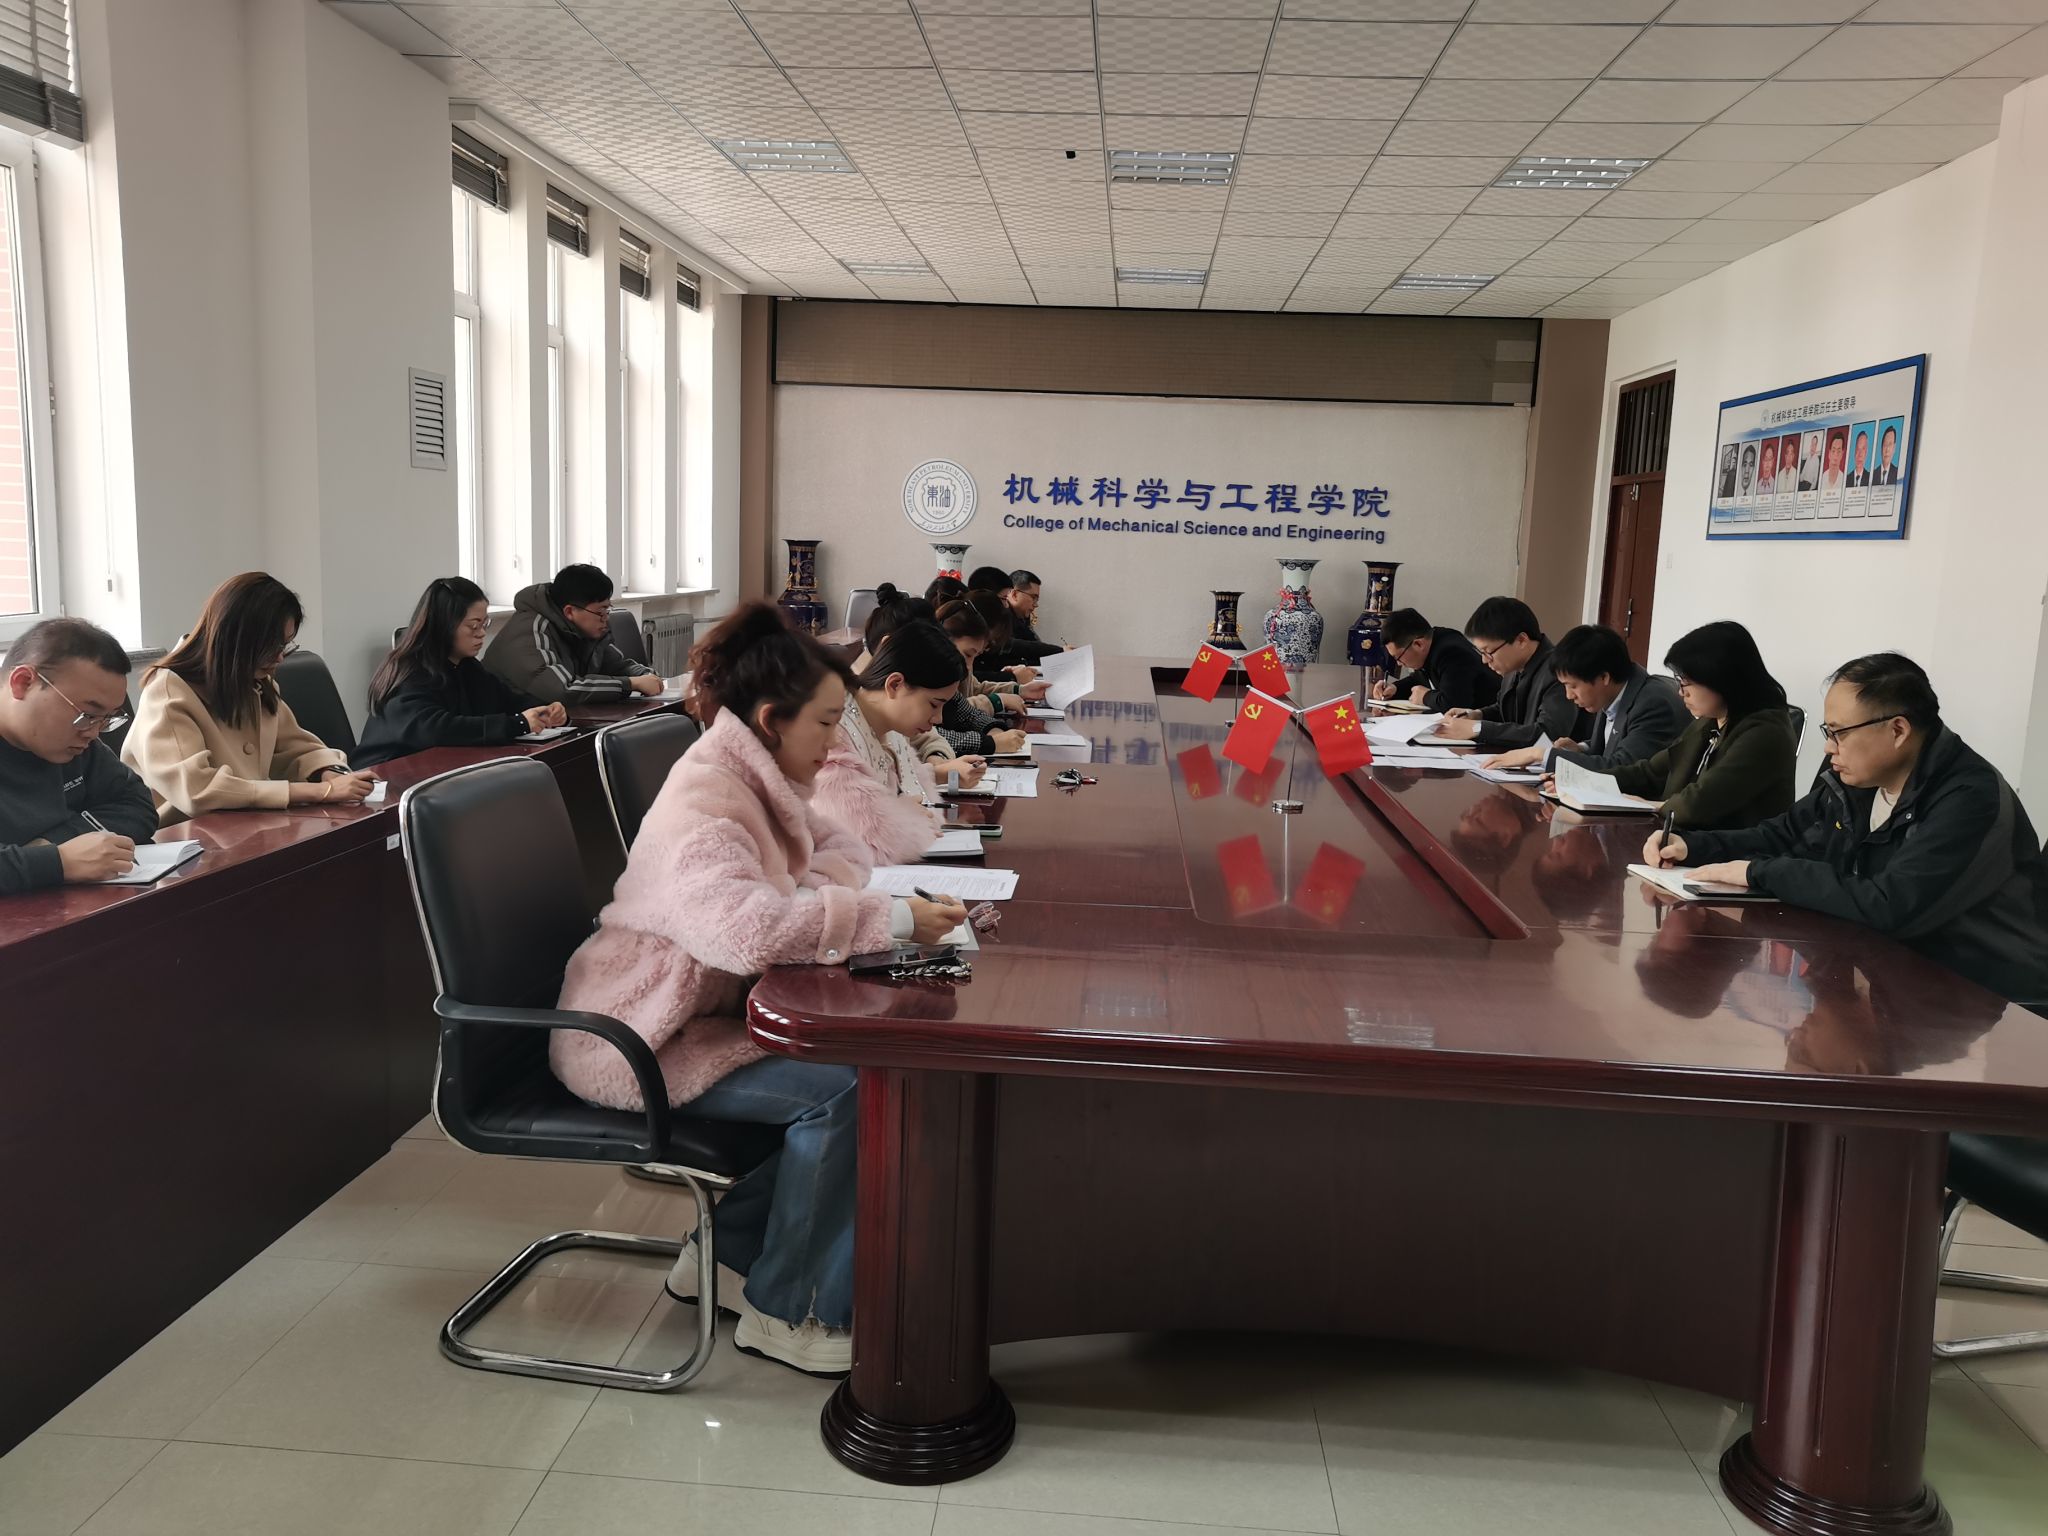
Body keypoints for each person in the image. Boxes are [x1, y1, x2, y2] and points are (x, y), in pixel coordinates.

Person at [551, 603, 967, 1375]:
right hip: (637, 1037)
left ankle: (730, 1255)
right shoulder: (707, 801)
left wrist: (828, 899)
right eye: (827, 724)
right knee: (855, 1087)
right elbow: (745, 932)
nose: (836, 743)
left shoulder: (764, 776)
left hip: (694, 1016)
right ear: (773, 719)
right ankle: (792, 1309)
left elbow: (843, 855)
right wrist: (887, 920)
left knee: (869, 1075)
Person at [1648, 653, 2048, 1009]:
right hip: (1879, 970)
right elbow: (1783, 834)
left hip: (1976, 997)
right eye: (1828, 732)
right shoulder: (1858, 777)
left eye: (1839, 733)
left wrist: (1758, 872)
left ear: (1898, 730)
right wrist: (1692, 845)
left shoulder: (1970, 799)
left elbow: (1891, 905)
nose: (1828, 748)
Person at [124, 572, 376, 824]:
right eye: (272, 646)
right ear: (235, 639)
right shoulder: (168, 691)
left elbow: (296, 748)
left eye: (285, 645)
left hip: (245, 826)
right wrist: (322, 791)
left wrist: (329, 772)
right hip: (183, 834)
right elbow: (198, 791)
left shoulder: (254, 683)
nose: (280, 658)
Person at [1, 618, 157, 893]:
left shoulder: (75, 744)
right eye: (87, 714)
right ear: (23, 683)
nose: (93, 733)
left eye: (106, 719)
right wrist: (58, 862)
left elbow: (138, 805)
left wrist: (48, 845)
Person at [353, 578, 569, 768]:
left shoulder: (466, 666)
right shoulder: (409, 670)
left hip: (439, 766)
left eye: (484, 624)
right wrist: (518, 723)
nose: (481, 633)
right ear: (444, 625)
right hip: (386, 774)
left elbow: (507, 699)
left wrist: (546, 710)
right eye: (473, 626)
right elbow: (434, 729)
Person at [1599, 621, 1795, 828]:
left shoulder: (1767, 733)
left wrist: (1651, 806)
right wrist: (1589, 782)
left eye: (1686, 681)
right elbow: (1651, 772)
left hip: (1729, 844)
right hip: (1687, 836)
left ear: (1720, 678)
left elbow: (1700, 802)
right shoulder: (1711, 720)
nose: (1681, 692)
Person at [814, 618, 961, 864]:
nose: (938, 718)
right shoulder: (836, 735)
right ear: (895, 684)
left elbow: (925, 808)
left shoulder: (891, 730)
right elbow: (868, 841)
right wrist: (907, 815)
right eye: (934, 704)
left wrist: (909, 817)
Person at [1481, 624, 1684, 775]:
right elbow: (1614, 745)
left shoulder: (1653, 704)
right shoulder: (1615, 692)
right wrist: (1581, 749)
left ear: (1604, 677)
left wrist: (1540, 755)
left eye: (1573, 686)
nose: (1569, 696)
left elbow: (1623, 768)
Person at [851, 586, 999, 785]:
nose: (938, 718)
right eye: (934, 705)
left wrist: (938, 767)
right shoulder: (847, 730)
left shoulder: (890, 714)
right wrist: (988, 742)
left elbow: (939, 731)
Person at [482, 562, 661, 705]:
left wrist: (646, 675)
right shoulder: (531, 631)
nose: (605, 618)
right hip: (510, 725)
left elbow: (616, 665)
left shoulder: (585, 627)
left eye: (607, 610)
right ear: (569, 611)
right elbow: (563, 690)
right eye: (600, 611)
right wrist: (630, 684)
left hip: (554, 719)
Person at [1432, 597, 1587, 751]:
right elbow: (1504, 710)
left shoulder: (1559, 672)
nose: (1484, 660)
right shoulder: (1513, 668)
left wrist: (1478, 728)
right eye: (1481, 653)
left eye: (1488, 652)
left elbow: (1547, 735)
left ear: (1521, 640)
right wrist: (1477, 715)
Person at [934, 600, 1030, 756]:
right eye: (967, 654)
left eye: (975, 656)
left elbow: (967, 713)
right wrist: (989, 743)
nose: (969, 665)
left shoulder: (950, 676)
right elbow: (928, 737)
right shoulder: (925, 674)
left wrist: (993, 729)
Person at [1373, 607, 1500, 711]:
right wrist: (1395, 688)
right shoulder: (1434, 641)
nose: (1399, 663)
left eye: (1398, 657)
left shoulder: (1452, 653)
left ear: (1418, 644)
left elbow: (1455, 704)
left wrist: (1425, 696)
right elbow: (1420, 679)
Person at [998, 567, 1064, 668]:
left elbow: (1035, 648)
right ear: (1014, 594)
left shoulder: (1022, 619)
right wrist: (1060, 651)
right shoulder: (998, 616)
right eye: (1033, 598)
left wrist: (1062, 655)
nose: (1036, 605)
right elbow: (1014, 647)